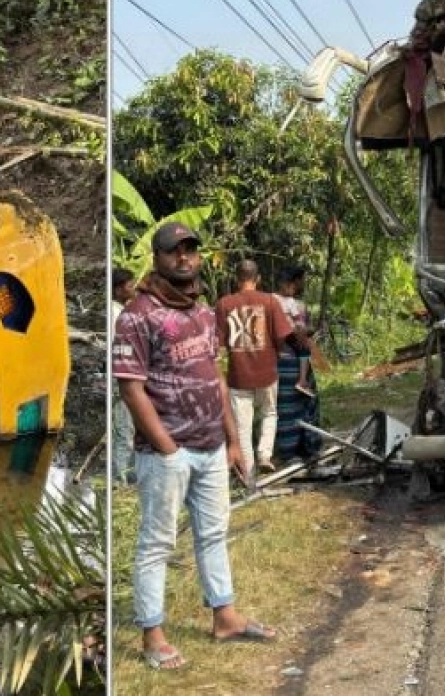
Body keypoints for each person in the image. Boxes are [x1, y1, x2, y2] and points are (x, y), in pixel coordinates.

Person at [114, 221, 277, 671]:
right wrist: (166, 446)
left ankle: (224, 616)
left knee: (213, 533)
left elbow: (215, 379)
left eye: (191, 250)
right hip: (168, 454)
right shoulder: (137, 315)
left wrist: (233, 441)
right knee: (156, 543)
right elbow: (131, 390)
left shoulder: (204, 314)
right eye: (174, 251)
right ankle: (152, 635)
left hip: (210, 447)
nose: (184, 258)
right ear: (157, 258)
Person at [215, 259, 293, 481]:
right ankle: (265, 455)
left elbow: (219, 345)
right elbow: (281, 337)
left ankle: (247, 475)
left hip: (239, 376)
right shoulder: (269, 301)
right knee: (270, 413)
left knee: (242, 427)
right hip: (267, 372)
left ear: (236, 278)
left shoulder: (224, 304)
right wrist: (274, 355)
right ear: (257, 278)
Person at [273, 265, 319, 460]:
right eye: (301, 281)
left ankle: (290, 449)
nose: (303, 285)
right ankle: (301, 447)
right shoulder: (290, 303)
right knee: (298, 404)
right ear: (292, 283)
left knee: (286, 407)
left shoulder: (272, 301)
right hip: (289, 358)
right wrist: (304, 331)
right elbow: (299, 330)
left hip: (280, 359)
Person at [110, 266, 138, 485]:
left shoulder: (119, 311)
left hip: (121, 373)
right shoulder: (117, 314)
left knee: (125, 426)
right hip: (121, 375)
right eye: (130, 285)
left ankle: (124, 473)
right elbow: (118, 347)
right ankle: (120, 478)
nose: (133, 288)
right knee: (124, 428)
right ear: (119, 289)